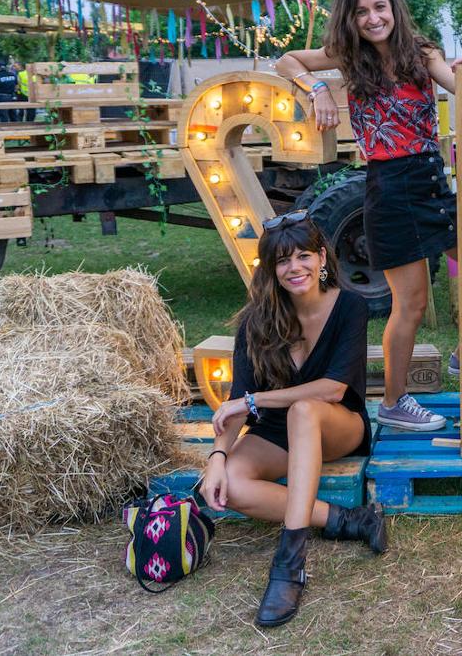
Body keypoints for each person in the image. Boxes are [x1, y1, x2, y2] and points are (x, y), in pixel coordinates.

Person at [275, 0, 462, 432]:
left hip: (431, 181)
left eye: (380, 7)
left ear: (393, 8)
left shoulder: (421, 52)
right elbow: (287, 60)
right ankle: (395, 402)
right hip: (389, 189)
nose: (373, 18)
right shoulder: (346, 56)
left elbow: (460, 83)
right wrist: (316, 89)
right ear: (350, 20)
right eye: (361, 12)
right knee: (411, 303)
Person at [199, 211, 384, 627]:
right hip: (276, 431)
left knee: (304, 410)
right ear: (271, 269)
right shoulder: (256, 320)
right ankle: (347, 519)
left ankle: (289, 565)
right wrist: (216, 458)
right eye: (282, 260)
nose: (294, 267)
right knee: (233, 486)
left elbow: (333, 389)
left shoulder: (349, 306)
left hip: (337, 424)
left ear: (322, 258)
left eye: (303, 256)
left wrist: (255, 400)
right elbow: (234, 402)